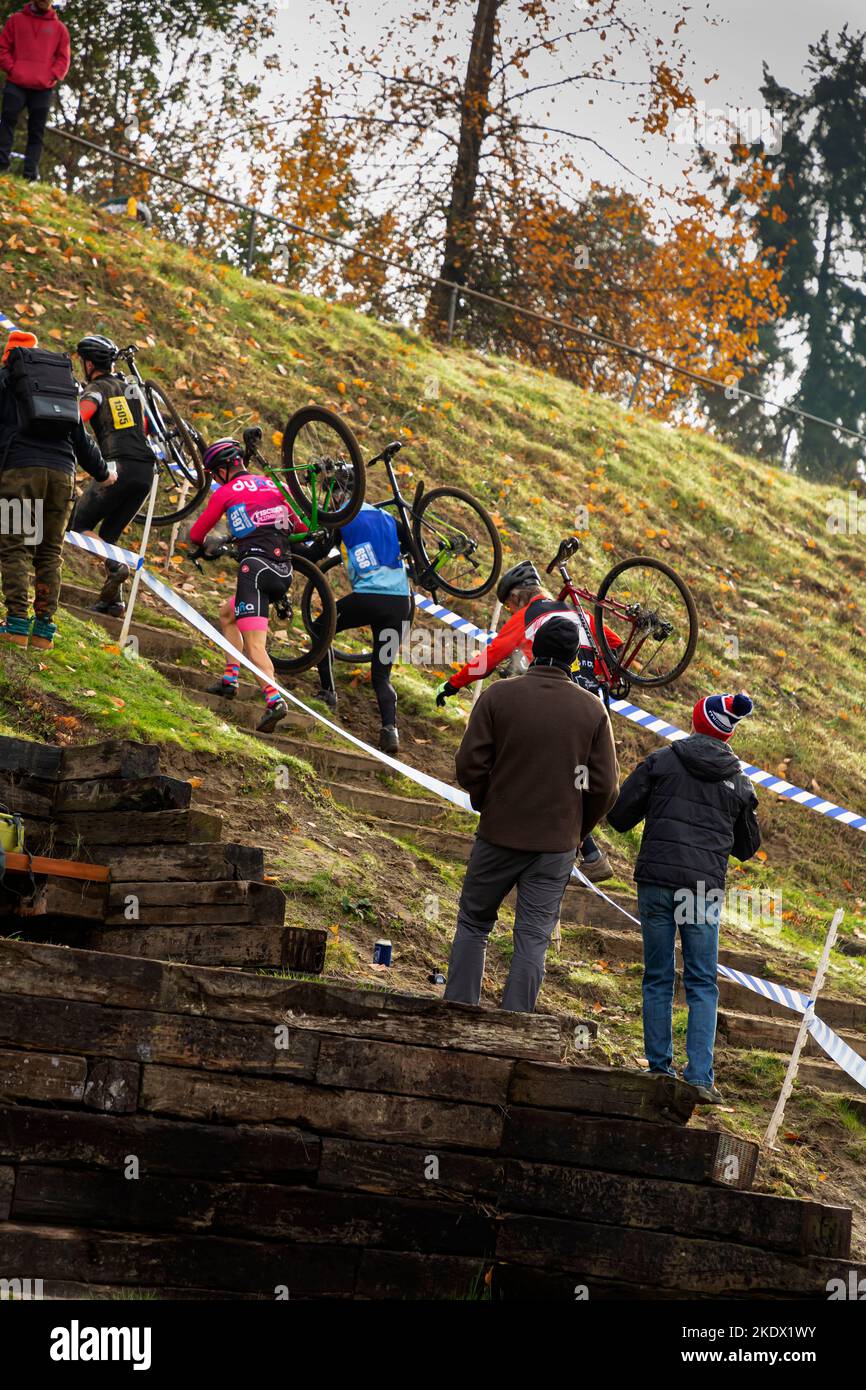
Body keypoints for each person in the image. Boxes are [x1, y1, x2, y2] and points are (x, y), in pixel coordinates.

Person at [443, 616, 619, 1014]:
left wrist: (487, 800)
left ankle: (457, 1012)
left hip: (498, 833)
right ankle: (516, 1024)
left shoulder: (499, 696)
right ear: (575, 659)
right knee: (533, 938)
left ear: (533, 650)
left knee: (473, 924)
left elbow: (469, 763)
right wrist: (577, 828)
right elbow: (606, 787)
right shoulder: (592, 710)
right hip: (555, 845)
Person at [606, 691, 761, 1104]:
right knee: (702, 983)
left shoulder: (661, 761)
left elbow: (619, 817)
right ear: (728, 733)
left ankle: (659, 1069)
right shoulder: (738, 781)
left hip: (656, 881)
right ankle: (699, 1077)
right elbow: (748, 847)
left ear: (696, 722)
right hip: (702, 891)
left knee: (657, 976)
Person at [436, 558, 618, 881]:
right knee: (576, 775)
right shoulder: (576, 611)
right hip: (594, 706)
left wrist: (453, 684)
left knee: (541, 765)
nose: (508, 611)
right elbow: (612, 644)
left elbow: (490, 658)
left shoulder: (527, 616)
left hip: (560, 703)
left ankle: (568, 849)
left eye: (507, 604)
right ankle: (590, 853)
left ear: (518, 596)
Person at [188, 437, 309, 733]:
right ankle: (230, 680)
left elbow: (196, 533)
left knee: (255, 645)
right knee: (228, 612)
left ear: (221, 470)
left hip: (253, 570)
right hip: (283, 571)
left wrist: (207, 546)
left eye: (214, 473)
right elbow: (302, 527)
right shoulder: (271, 484)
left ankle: (274, 701)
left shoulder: (225, 492)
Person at [0, 328, 111, 650]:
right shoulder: (56, 386)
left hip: (20, 475)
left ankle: (17, 624)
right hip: (62, 477)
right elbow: (81, 438)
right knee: (49, 552)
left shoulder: (5, 381)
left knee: (16, 547)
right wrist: (103, 473)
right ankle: (44, 631)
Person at [309, 501, 412, 755]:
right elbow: (410, 545)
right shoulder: (387, 517)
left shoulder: (342, 515)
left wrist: (289, 550)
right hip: (401, 603)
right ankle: (390, 729)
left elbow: (318, 552)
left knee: (321, 628)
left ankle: (328, 691)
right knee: (381, 675)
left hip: (368, 597)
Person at [69, 335, 155, 616]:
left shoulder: (96, 388)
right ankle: (113, 601)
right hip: (146, 472)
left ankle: (117, 567)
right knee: (108, 536)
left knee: (76, 524)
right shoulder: (127, 387)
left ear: (89, 362)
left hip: (119, 467)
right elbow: (145, 426)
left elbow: (79, 418)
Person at [0, 1, 70, 183]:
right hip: (16, 83)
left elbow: (64, 58)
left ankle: (30, 176)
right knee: (7, 121)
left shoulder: (59, 29)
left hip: (43, 89)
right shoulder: (15, 20)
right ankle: (0, 165)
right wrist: (12, 69)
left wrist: (52, 76)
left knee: (36, 132)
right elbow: (3, 48)